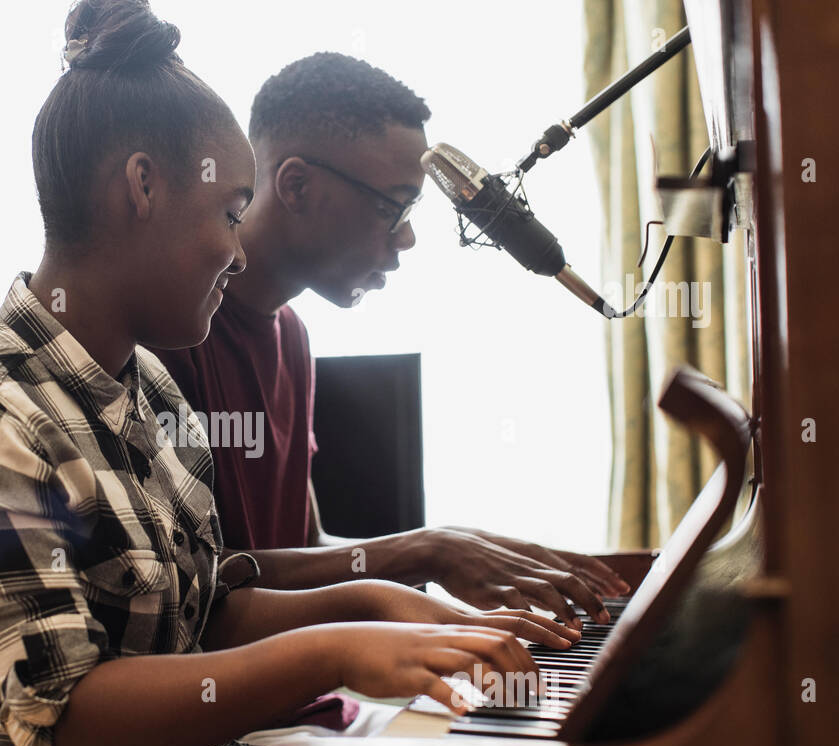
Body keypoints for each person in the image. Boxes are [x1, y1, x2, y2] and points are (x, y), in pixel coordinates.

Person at [0, 0, 579, 746]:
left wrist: (378, 605)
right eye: (231, 212)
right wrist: (335, 648)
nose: (241, 254)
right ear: (143, 188)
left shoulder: (149, 388)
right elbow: (66, 720)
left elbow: (207, 611)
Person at [151, 53, 631, 627]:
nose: (406, 238)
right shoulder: (173, 336)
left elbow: (307, 546)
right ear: (296, 185)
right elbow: (198, 584)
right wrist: (424, 550)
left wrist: (456, 545)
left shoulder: (292, 337)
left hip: (307, 706)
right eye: (392, 206)